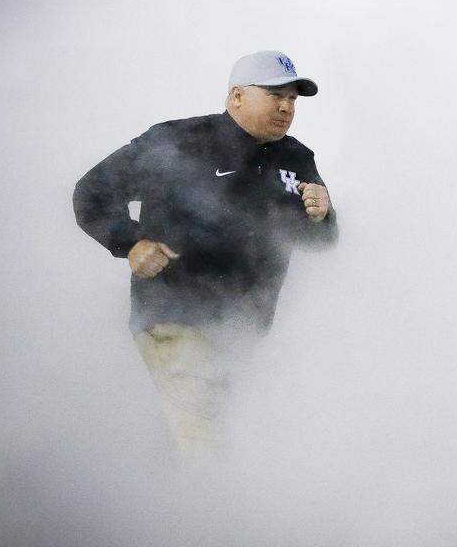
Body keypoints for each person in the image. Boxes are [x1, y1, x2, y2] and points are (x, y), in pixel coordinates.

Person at [73, 50, 338, 459]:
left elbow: (317, 241)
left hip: (245, 337)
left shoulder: (297, 157)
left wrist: (324, 217)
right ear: (236, 97)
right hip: (176, 322)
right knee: (207, 452)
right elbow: (92, 192)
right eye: (274, 95)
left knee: (223, 444)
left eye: (292, 98)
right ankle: (209, 520)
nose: (286, 107)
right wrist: (131, 243)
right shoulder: (180, 140)